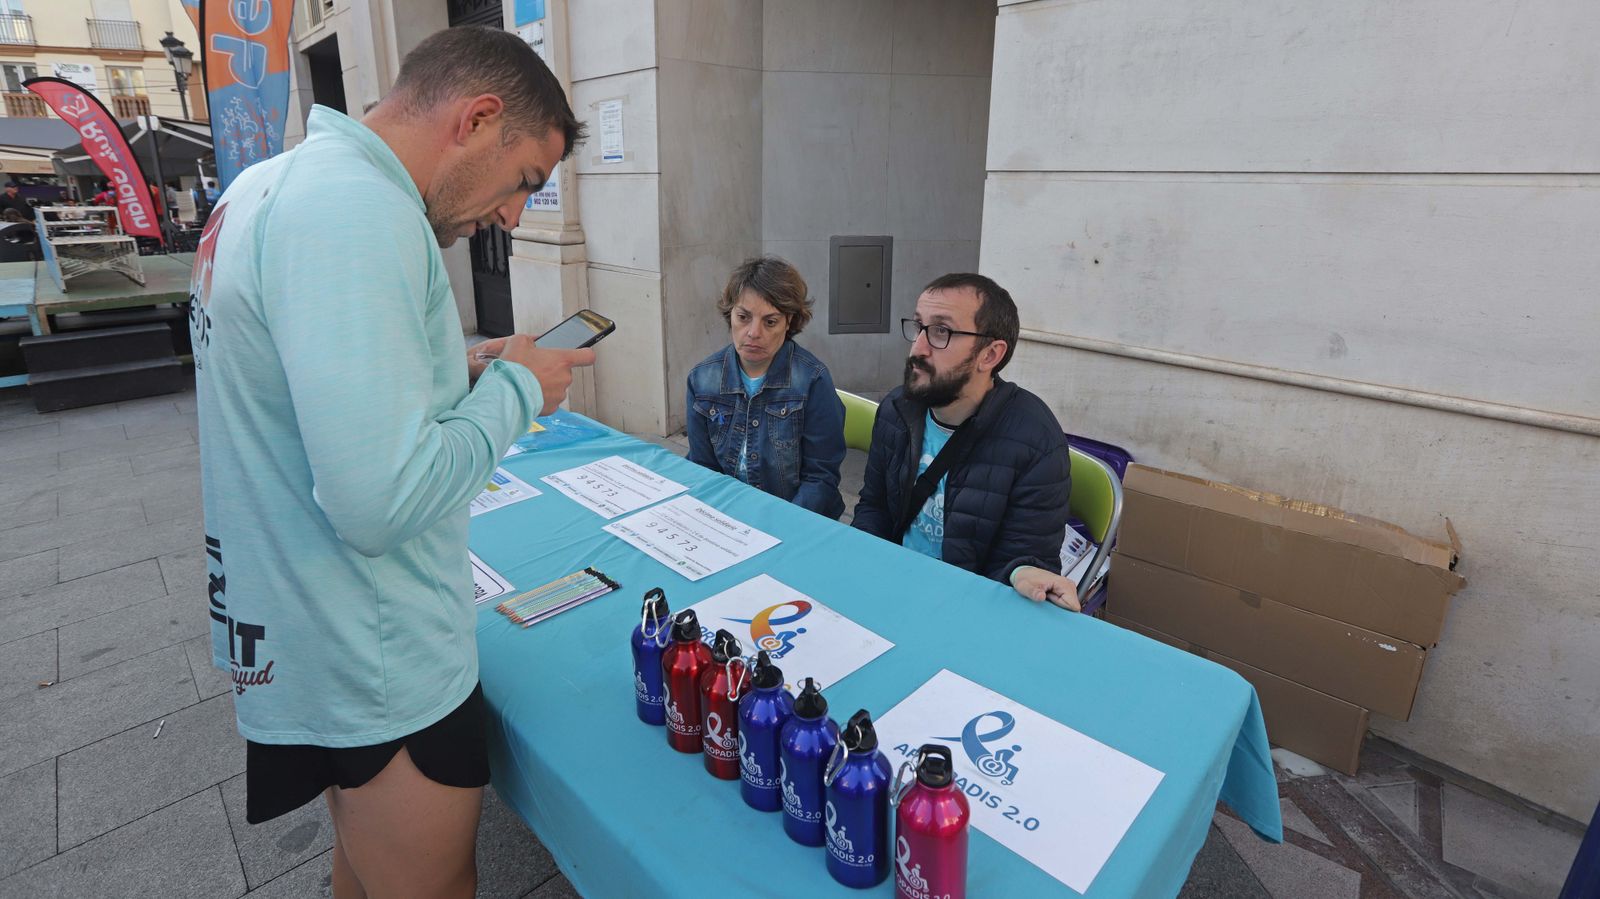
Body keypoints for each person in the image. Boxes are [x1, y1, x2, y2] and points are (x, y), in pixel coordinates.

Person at [191, 26, 589, 899]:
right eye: (525, 180)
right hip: (378, 656)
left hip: (305, 624)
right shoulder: (358, 210)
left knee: (364, 869)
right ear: (479, 120)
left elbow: (305, 396)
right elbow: (380, 499)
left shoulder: (268, 185)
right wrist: (518, 389)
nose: (515, 214)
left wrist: (465, 367)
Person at [852, 273, 1080, 610]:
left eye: (941, 332)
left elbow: (1023, 557)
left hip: (967, 607)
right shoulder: (898, 410)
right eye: (919, 327)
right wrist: (858, 567)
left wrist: (1021, 573)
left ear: (989, 355)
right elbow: (875, 507)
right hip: (892, 586)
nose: (918, 348)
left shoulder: (1036, 441)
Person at [686, 256, 847, 519]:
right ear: (731, 315)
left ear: (789, 322)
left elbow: (820, 478)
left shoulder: (813, 381)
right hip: (727, 519)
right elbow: (702, 469)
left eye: (769, 322)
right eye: (743, 317)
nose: (753, 332)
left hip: (797, 522)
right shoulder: (702, 379)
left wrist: (781, 527)